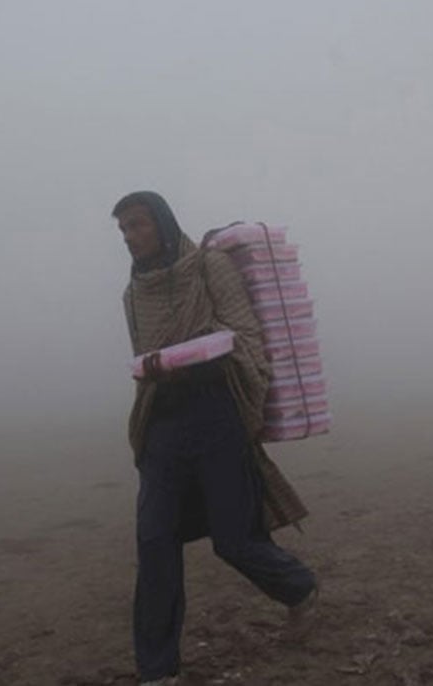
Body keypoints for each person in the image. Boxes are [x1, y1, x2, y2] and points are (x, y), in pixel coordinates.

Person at [113, 191, 318, 685]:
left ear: (162, 223)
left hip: (216, 417)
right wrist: (159, 369)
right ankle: (158, 671)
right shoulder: (132, 293)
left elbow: (246, 337)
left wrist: (200, 358)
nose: (131, 237)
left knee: (234, 539)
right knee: (155, 542)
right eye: (124, 230)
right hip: (162, 424)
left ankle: (299, 587)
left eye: (139, 224)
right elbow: (145, 357)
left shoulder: (209, 268)